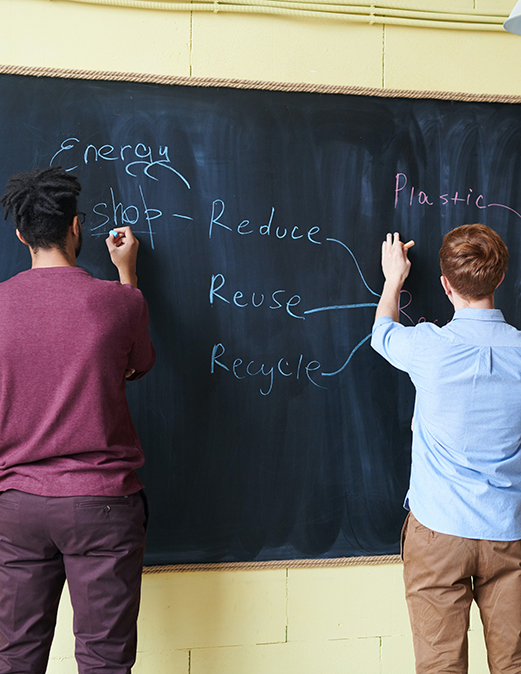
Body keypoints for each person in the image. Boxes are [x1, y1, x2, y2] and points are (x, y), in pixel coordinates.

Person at [0, 167, 155, 674]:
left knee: (15, 657)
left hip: (17, 505)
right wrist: (127, 271)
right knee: (104, 661)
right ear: (76, 227)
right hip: (102, 504)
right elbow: (139, 361)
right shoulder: (117, 302)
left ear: (21, 234)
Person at [371, 225, 521, 674]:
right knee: (514, 664)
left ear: (445, 285)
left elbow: (382, 333)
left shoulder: (428, 347)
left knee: (439, 667)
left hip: (438, 531)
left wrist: (393, 278)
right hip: (508, 530)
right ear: (500, 278)